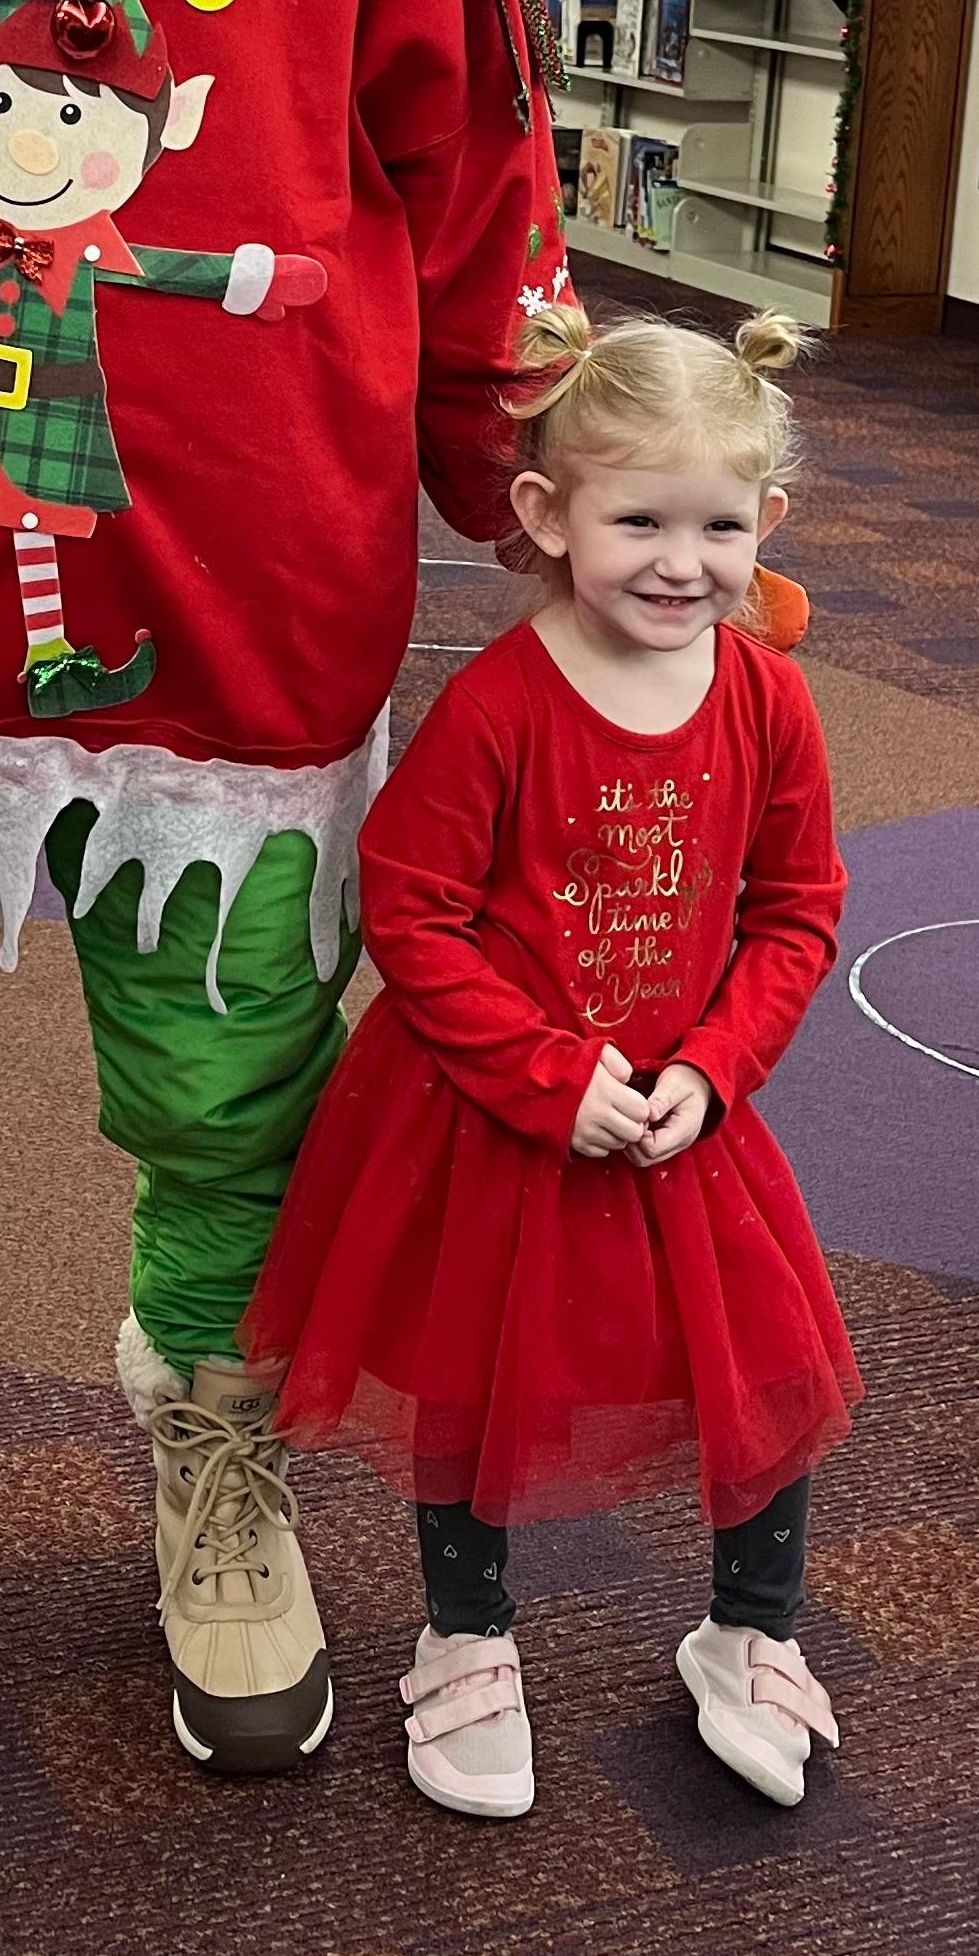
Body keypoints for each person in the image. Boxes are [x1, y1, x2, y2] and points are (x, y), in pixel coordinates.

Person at [246, 300, 858, 1818]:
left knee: (766, 1368)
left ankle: (750, 1633)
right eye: (638, 515)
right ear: (545, 513)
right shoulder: (500, 705)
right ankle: (464, 1637)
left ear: (766, 520)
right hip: (496, 1119)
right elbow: (415, 909)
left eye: (720, 523)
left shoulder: (771, 701)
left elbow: (795, 912)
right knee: (474, 1382)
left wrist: (716, 1069)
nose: (681, 559)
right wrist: (541, 1073)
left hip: (682, 1107)